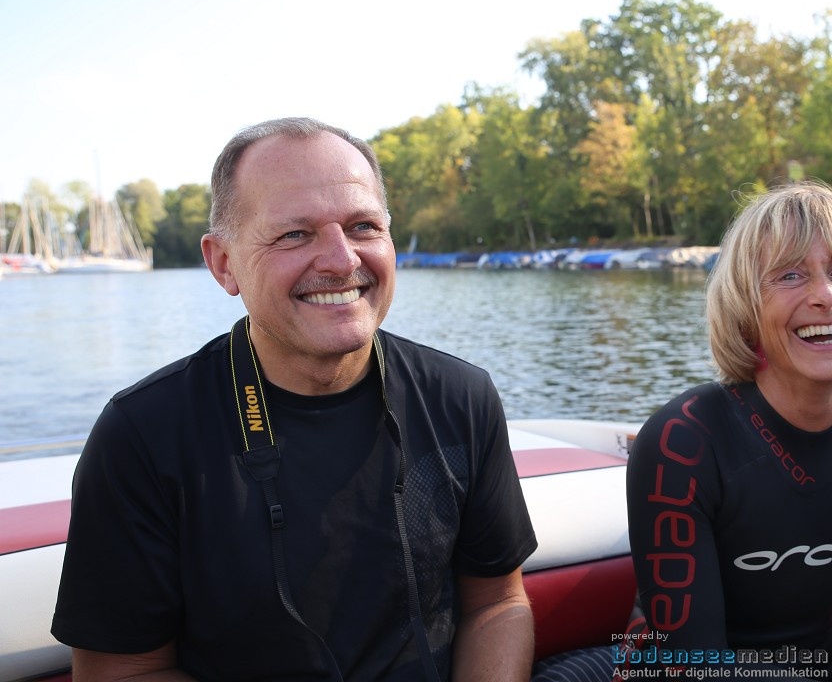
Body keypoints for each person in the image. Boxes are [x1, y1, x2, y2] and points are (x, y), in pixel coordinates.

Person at [51, 117, 537, 681]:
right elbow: (123, 670)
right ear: (223, 263)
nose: (341, 259)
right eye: (294, 234)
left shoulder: (460, 398)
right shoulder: (143, 436)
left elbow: (497, 602)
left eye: (362, 226)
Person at [624, 182, 832, 680]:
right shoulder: (683, 442)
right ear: (745, 308)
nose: (825, 295)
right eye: (790, 275)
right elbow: (692, 666)